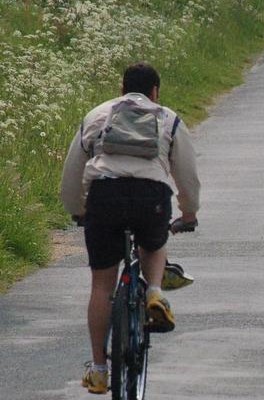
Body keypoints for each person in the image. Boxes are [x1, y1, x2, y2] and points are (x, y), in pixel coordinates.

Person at [61, 62, 200, 394]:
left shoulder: (98, 115)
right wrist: (189, 213)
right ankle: (154, 291)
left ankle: (98, 370)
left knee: (101, 286)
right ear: (155, 92)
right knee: (154, 241)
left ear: (121, 89)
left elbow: (71, 174)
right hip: (149, 198)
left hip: (104, 197)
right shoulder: (168, 118)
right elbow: (187, 176)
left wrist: (78, 210)